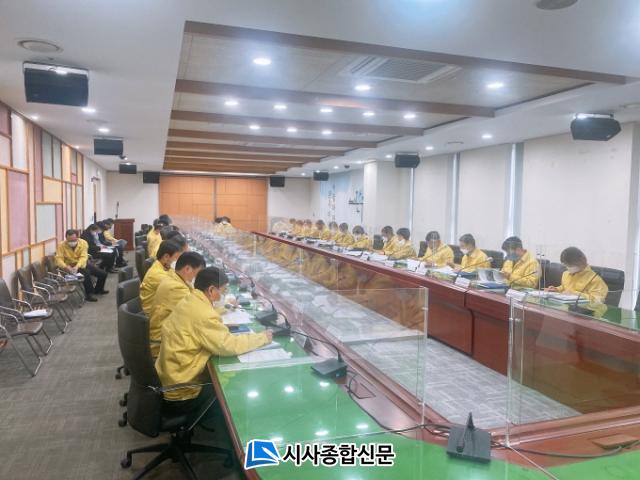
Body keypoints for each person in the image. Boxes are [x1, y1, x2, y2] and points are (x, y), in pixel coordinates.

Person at [155, 267, 272, 414]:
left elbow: (201, 319)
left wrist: (223, 311)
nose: (224, 294)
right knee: (237, 386)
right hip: (183, 392)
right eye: (223, 290)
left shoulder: (191, 300)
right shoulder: (204, 315)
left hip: (169, 376)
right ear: (211, 290)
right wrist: (262, 337)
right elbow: (228, 345)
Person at [149, 251, 206, 358]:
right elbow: (199, 313)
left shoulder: (174, 277)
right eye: (197, 273)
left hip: (167, 336)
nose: (197, 277)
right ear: (187, 269)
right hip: (162, 345)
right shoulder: (176, 288)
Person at [54, 229, 107, 301]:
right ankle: (89, 294)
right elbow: (58, 259)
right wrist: (65, 266)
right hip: (69, 267)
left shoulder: (83, 243)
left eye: (73, 240)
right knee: (86, 274)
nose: (71, 242)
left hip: (81, 264)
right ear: (66, 238)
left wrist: (77, 266)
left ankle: (98, 290)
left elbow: (83, 257)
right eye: (69, 240)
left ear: (77, 237)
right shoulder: (61, 245)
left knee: (103, 274)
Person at [140, 240, 183, 315]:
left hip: (160, 306)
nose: (177, 261)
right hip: (152, 313)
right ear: (166, 257)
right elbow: (178, 290)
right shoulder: (157, 275)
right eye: (176, 258)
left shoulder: (164, 266)